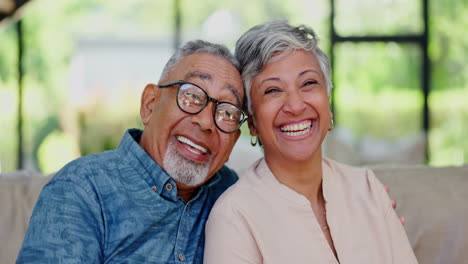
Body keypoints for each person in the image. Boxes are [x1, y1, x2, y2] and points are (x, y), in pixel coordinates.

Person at [204, 21, 417, 263]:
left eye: (308, 83)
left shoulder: (367, 188)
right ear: (251, 122)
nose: (295, 106)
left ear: (328, 101)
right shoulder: (234, 217)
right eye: (273, 90)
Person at [16, 40, 247, 263]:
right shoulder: (82, 189)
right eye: (192, 96)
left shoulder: (231, 193)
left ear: (234, 141)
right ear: (150, 104)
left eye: (228, 113)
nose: (206, 121)